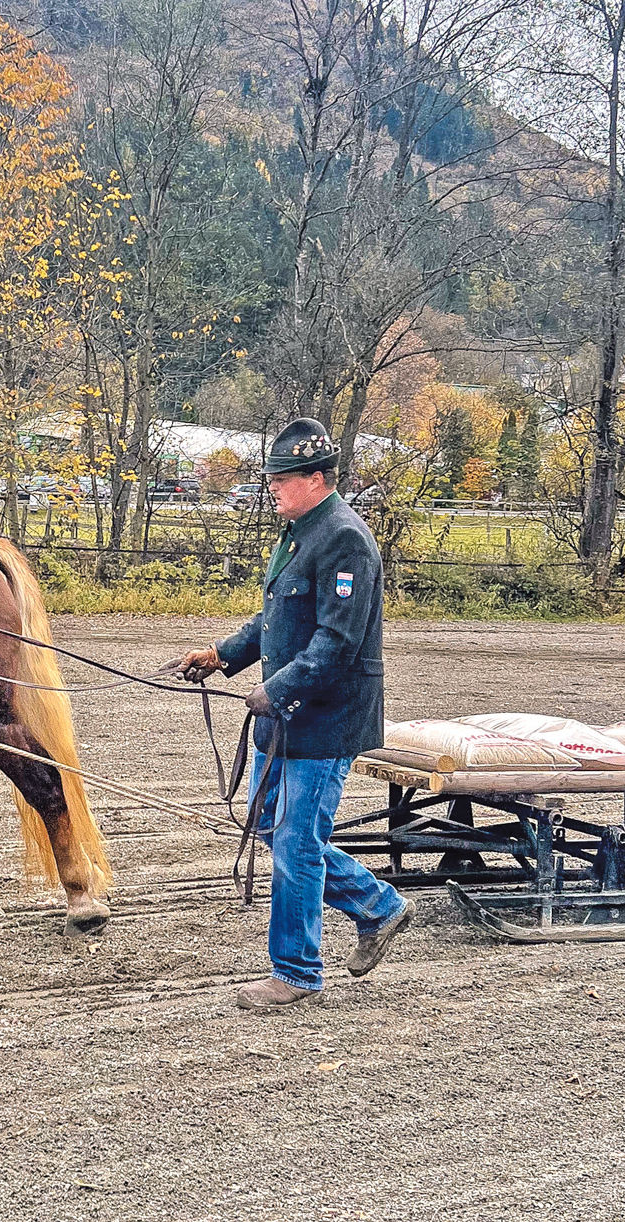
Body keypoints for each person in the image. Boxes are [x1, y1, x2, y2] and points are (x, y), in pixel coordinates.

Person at [176, 417, 411, 1011]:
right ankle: (377, 905)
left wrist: (276, 691)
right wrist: (223, 655)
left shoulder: (344, 539)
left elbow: (337, 641)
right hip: (287, 713)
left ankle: (298, 972)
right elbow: (277, 619)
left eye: (282, 478)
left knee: (297, 844)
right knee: (268, 827)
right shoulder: (299, 534)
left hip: (324, 718)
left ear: (315, 477)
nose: (273, 487)